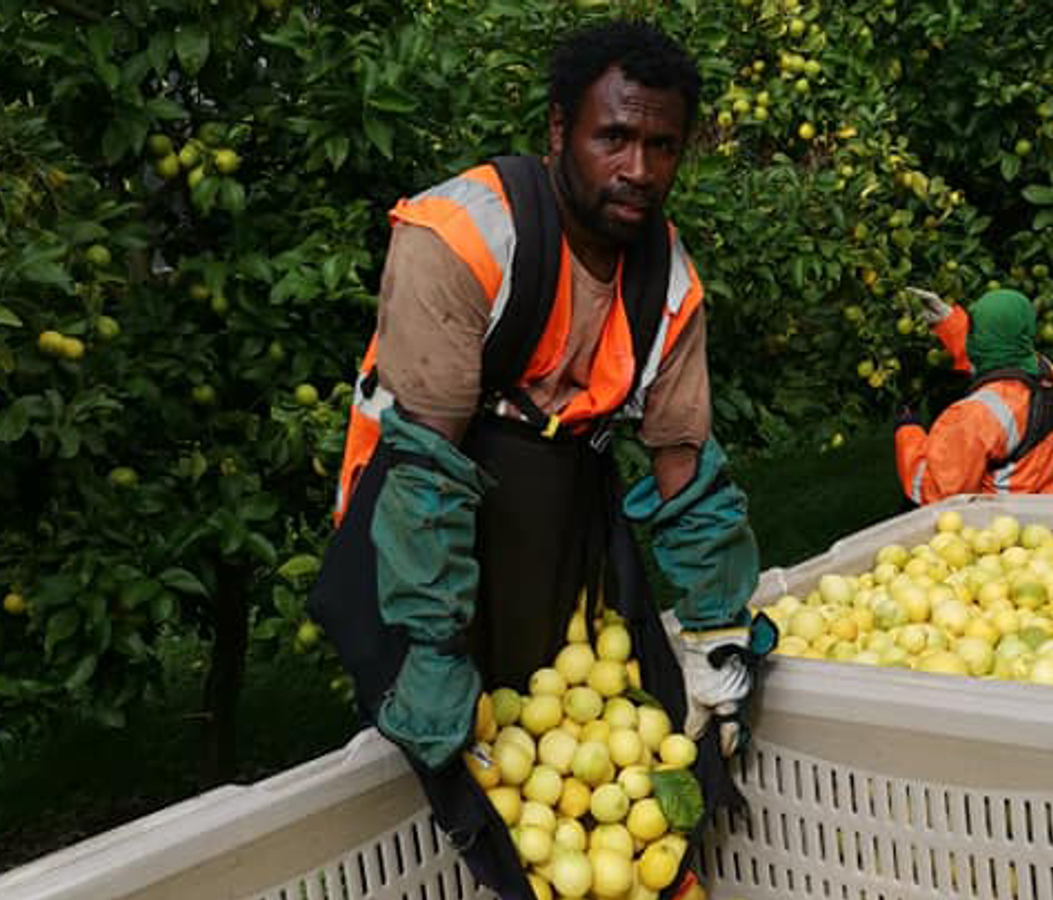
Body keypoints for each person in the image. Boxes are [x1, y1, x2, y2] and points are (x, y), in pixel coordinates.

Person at [309, 21, 765, 899]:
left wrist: (717, 631)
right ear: (560, 129)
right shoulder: (465, 238)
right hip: (420, 520)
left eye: (662, 145)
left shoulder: (667, 285)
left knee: (599, 728)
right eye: (614, 137)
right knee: (455, 760)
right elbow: (426, 473)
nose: (638, 167)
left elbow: (682, 463)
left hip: (558, 509)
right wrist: (434, 650)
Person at [893, 286, 1053, 504]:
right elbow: (997, 356)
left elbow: (935, 490)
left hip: (1002, 525)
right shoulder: (1045, 372)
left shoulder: (976, 415)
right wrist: (949, 322)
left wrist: (908, 431)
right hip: (1051, 507)